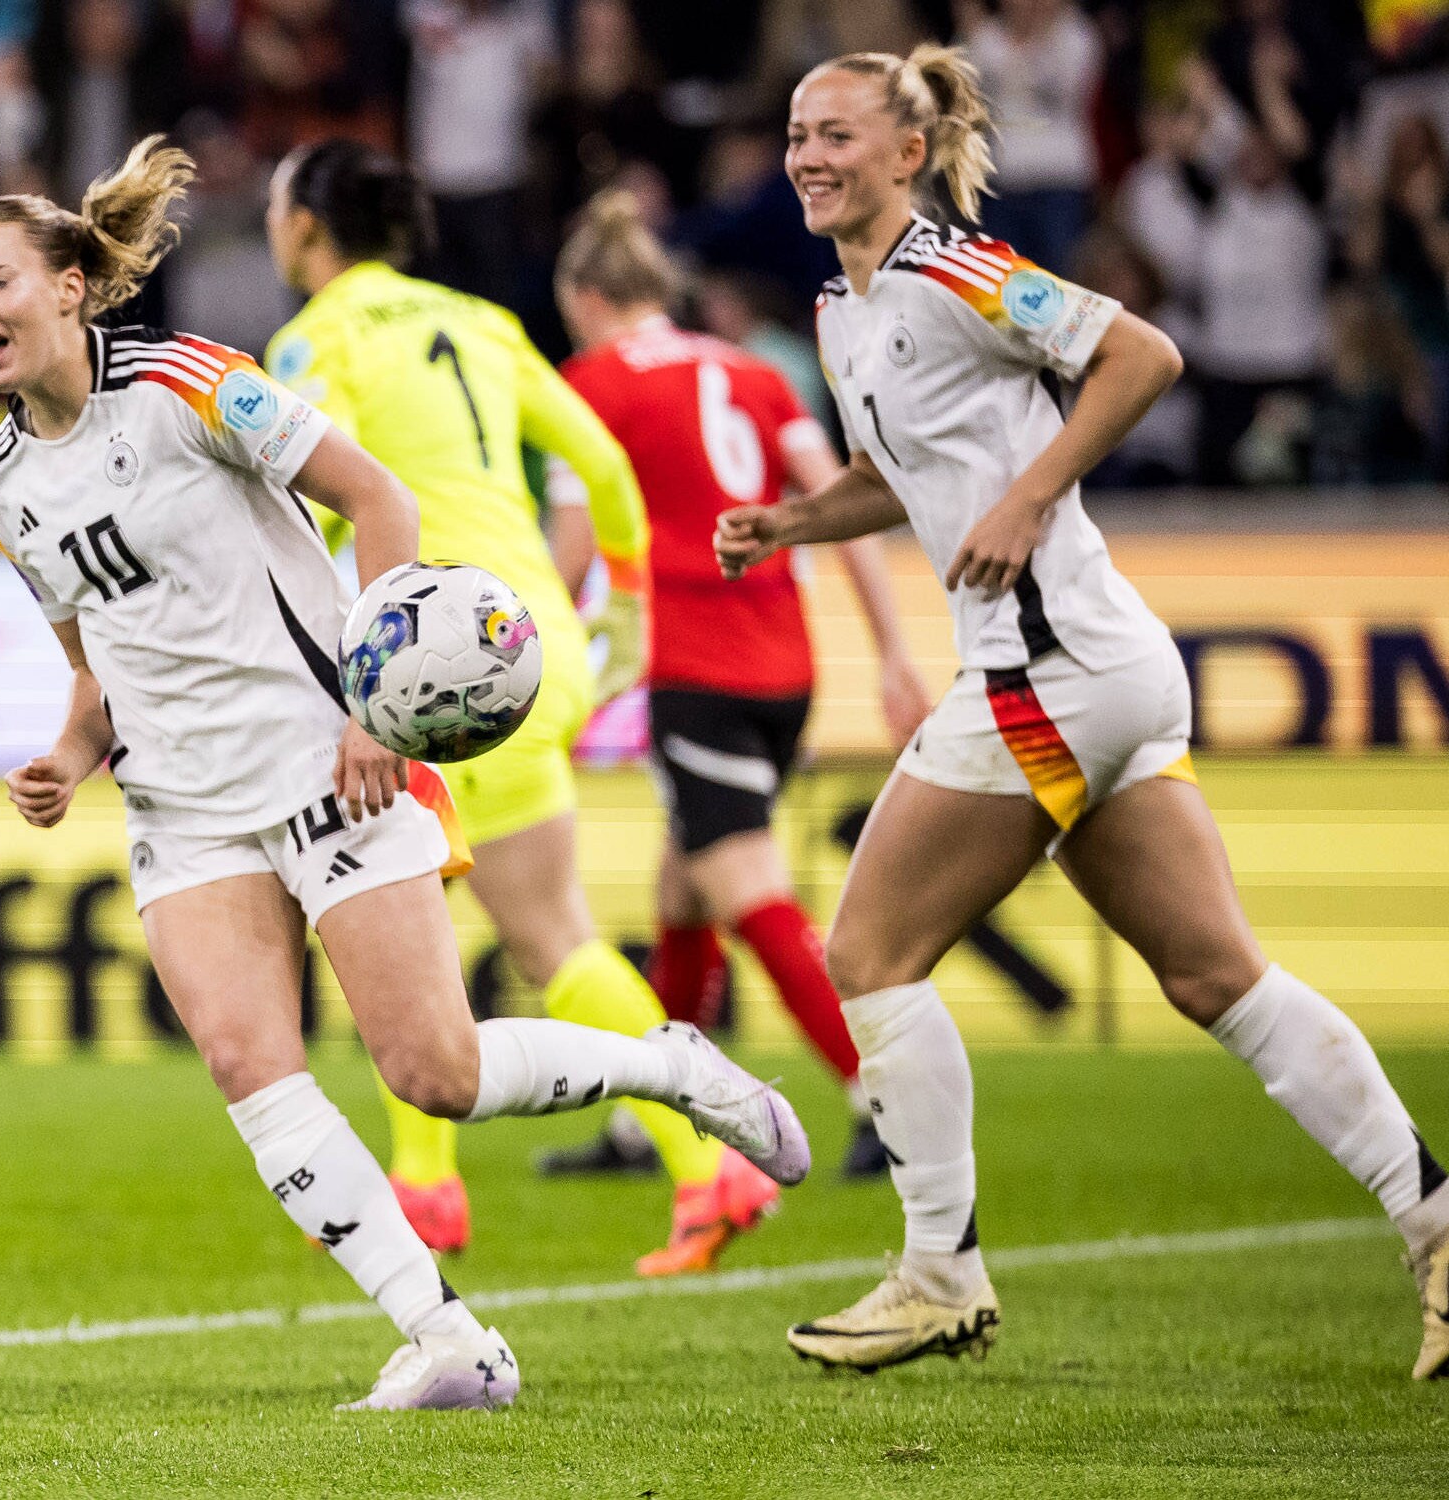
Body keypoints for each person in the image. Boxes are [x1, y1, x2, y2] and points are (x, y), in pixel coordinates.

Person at [0, 135, 809, 1411]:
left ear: (70, 286)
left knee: (433, 1071)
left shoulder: (194, 383)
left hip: (325, 763)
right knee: (250, 1065)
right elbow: (98, 667)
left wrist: (375, 709)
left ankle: (673, 1070)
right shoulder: (1, 485)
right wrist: (69, 761)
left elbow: (382, 500)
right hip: (184, 808)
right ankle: (445, 1336)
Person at [732, 44, 1448, 1376]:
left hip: (1046, 669)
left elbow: (1142, 354)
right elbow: (913, 471)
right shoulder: (846, 308)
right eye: (794, 135)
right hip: (1098, 666)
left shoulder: (956, 269)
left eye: (836, 135)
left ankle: (939, 1272)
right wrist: (797, 520)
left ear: (907, 153)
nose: (809, 158)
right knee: (1217, 977)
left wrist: (1028, 498)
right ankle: (1441, 1221)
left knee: (869, 956)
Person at [260, 140, 775, 1278]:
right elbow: (599, 460)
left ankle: (687, 1163)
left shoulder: (319, 339)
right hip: (527, 643)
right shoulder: (484, 322)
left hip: (419, 666)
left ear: (305, 228)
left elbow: (295, 492)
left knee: (411, 927)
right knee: (542, 931)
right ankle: (443, 1185)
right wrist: (628, 613)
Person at [548, 188, 928, 1184]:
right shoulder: (754, 372)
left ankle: (885, 1099)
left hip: (693, 665)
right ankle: (650, 1126)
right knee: (682, 888)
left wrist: (541, 664)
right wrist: (893, 651)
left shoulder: (590, 383)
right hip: (786, 665)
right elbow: (842, 498)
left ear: (583, 297)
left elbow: (568, 555)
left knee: (744, 885)